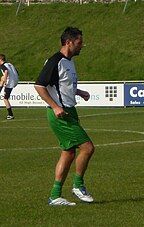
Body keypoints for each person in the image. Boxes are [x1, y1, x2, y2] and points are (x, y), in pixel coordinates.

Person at [34, 27, 95, 206]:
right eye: (79, 42)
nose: (82, 46)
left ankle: (55, 195)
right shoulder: (55, 61)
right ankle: (78, 185)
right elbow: (39, 86)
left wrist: (79, 91)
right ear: (69, 42)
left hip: (70, 110)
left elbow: (63, 86)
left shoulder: (69, 61)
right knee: (88, 148)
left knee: (68, 153)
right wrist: (55, 107)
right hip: (61, 114)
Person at [0, 54, 19, 120]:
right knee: (2, 78)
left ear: (0, 59)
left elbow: (6, 71)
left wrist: (5, 79)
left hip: (10, 83)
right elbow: (16, 72)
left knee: (5, 99)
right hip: (15, 80)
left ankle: (10, 115)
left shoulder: (2, 65)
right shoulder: (9, 64)